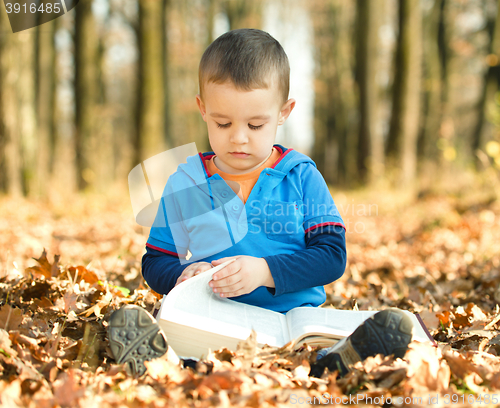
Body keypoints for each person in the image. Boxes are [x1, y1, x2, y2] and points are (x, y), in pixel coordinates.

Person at [108, 28, 413, 377]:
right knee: (195, 350)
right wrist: (180, 274)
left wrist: (266, 272)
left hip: (292, 322)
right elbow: (156, 260)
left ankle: (340, 360)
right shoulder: (187, 182)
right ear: (202, 109)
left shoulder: (301, 177)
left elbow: (332, 255)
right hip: (212, 321)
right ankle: (164, 363)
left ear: (284, 112)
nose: (238, 138)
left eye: (255, 124)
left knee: (307, 352)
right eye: (223, 123)